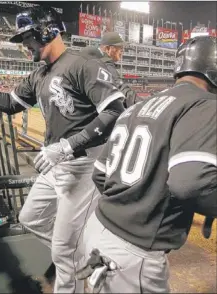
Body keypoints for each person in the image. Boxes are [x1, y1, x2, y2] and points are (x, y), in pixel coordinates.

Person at [0, 7, 126, 293]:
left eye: (28, 38)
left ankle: (75, 261)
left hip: (81, 164)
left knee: (63, 257)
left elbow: (115, 110)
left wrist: (69, 146)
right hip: (55, 162)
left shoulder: (83, 64)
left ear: (47, 31)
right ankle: (85, 254)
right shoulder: (39, 74)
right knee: (30, 218)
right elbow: (8, 104)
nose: (24, 46)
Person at [77, 36, 217, 293]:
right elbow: (191, 184)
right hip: (132, 254)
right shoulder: (205, 104)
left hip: (99, 230)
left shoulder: (139, 106)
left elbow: (100, 175)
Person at [80, 32, 140, 107]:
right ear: (108, 49)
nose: (122, 51)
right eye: (119, 47)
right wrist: (143, 104)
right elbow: (121, 89)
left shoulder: (94, 58)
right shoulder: (105, 63)